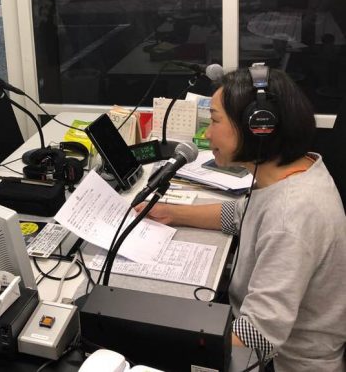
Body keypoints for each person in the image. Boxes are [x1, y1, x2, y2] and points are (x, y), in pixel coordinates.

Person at [137, 67, 346, 371]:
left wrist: (154, 342)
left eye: (215, 121)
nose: (207, 134)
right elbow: (240, 214)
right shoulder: (294, 172)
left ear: (258, 127)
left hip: (283, 363)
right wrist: (172, 213)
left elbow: (258, 336)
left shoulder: (292, 216)